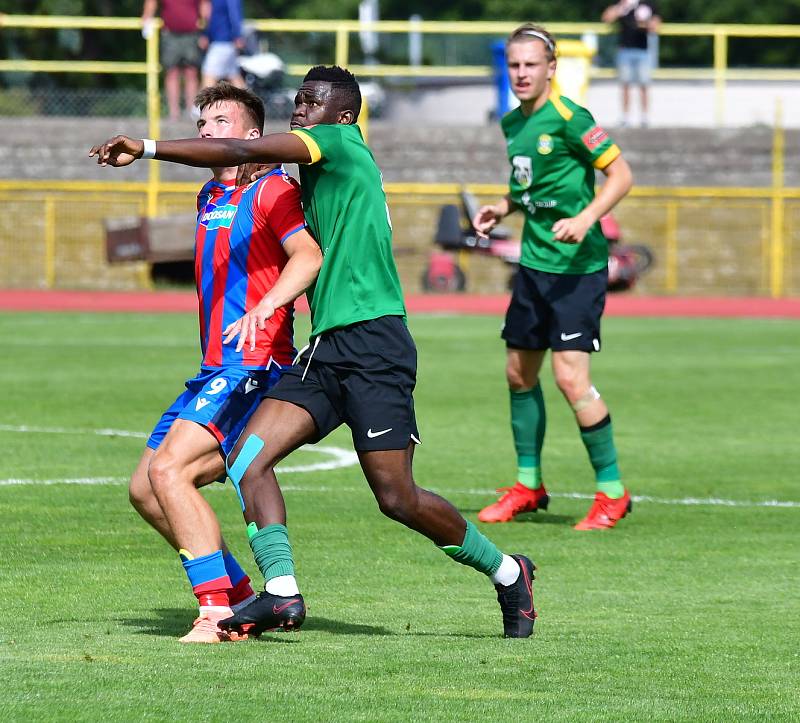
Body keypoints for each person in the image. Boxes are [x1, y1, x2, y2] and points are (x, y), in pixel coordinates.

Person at [90, 65, 537, 640]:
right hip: (325, 350)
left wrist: (148, 146)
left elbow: (237, 150)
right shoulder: (304, 183)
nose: (299, 109)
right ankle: (279, 595)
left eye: (311, 102)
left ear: (343, 116)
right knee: (248, 458)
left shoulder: (340, 143)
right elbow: (247, 168)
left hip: (376, 344)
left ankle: (507, 571)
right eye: (297, 101)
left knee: (397, 497)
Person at [125, 81, 322, 643]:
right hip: (214, 368)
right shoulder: (209, 196)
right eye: (203, 122)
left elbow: (308, 256)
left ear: (252, 136)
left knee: (170, 472)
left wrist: (267, 306)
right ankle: (239, 596)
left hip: (254, 366)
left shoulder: (273, 191)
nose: (208, 131)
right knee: (145, 489)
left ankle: (214, 611)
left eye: (220, 123)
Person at [472, 24, 634, 531]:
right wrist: (501, 207)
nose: (521, 74)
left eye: (530, 65)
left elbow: (622, 175)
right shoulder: (512, 123)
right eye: (514, 65)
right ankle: (528, 484)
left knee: (569, 378)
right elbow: (526, 188)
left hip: (576, 270)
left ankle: (612, 491)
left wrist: (588, 219)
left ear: (551, 69)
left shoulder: (570, 118)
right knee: (519, 375)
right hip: (534, 267)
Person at [141, 0, 210, 121]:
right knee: (172, 72)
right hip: (170, 34)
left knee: (191, 72)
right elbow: (151, 2)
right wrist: (147, 16)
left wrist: (207, 31)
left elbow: (205, 5)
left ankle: (191, 111)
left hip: (192, 33)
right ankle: (174, 113)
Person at [601, 0, 661, 127]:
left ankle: (644, 117)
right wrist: (620, 8)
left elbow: (656, 27)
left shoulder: (648, 3)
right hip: (624, 50)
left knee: (644, 85)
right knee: (625, 85)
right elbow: (606, 18)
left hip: (643, 51)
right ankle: (625, 117)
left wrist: (644, 22)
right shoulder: (622, 4)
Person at [199, 0, 247, 89]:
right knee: (234, 77)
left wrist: (237, 35)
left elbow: (235, 15)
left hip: (223, 42)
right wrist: (206, 35)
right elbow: (210, 18)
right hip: (220, 42)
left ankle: (202, 103)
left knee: (208, 77)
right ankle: (250, 102)